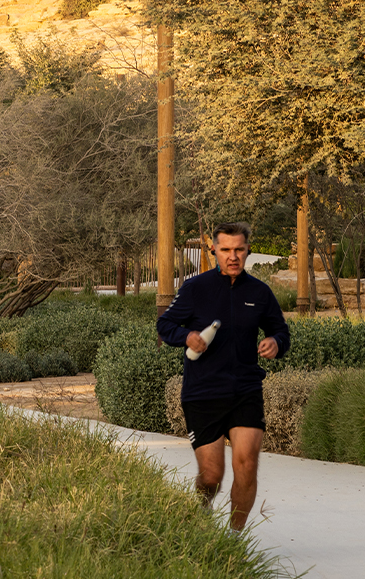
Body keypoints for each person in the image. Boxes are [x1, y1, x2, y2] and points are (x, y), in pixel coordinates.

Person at [157, 222, 290, 531]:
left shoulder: (259, 292)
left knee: (247, 464)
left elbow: (280, 331)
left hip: (245, 389)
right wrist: (187, 335)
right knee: (212, 476)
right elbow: (165, 325)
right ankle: (200, 516)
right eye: (226, 250)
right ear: (213, 250)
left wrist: (276, 343)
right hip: (203, 392)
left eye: (239, 250)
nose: (233, 256)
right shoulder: (195, 289)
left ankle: (233, 538)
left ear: (248, 252)